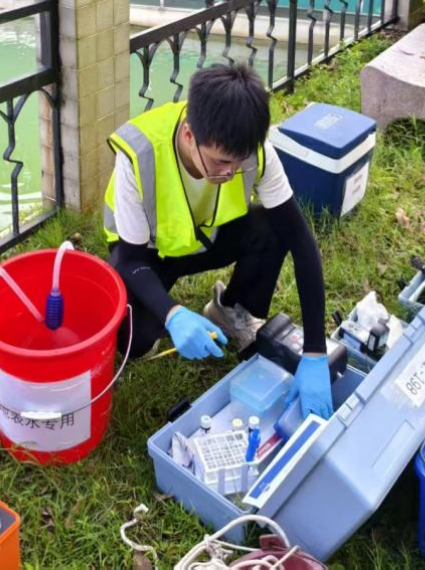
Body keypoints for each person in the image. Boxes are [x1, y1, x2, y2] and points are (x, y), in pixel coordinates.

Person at [103, 63, 333, 418]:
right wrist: (173, 314)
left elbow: (300, 239)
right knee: (134, 341)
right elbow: (129, 260)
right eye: (221, 161)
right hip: (147, 256)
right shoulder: (139, 153)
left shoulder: (253, 149)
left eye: (238, 163)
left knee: (274, 226)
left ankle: (230, 310)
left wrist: (315, 352)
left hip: (203, 239)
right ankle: (162, 319)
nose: (230, 172)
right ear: (189, 134)